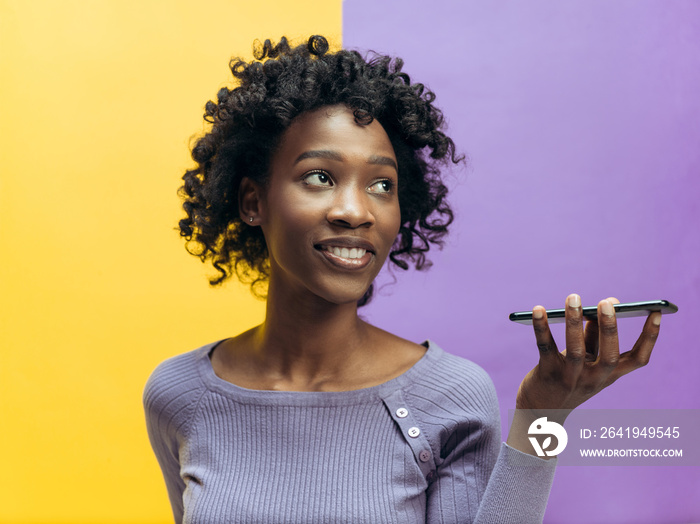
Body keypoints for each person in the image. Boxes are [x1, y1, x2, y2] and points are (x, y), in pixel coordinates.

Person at [143, 35, 662, 523]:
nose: (355, 210)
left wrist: (543, 417)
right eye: (320, 177)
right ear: (253, 201)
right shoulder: (180, 394)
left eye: (381, 185)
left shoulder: (451, 395)